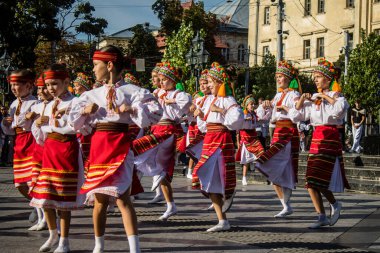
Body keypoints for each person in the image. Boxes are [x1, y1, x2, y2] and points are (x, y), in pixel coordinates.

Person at [69, 45, 162, 253]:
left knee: (122, 198)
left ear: (109, 65)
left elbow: (156, 111)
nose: (93, 69)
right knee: (99, 201)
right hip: (99, 148)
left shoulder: (132, 91)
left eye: (96, 65)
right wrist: (85, 110)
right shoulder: (92, 94)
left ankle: (134, 248)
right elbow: (73, 122)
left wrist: (131, 108)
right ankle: (98, 246)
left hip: (120, 145)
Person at [29, 64, 85, 253]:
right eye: (48, 84)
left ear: (66, 82)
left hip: (66, 151)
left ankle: (64, 241)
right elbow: (40, 137)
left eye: (54, 84)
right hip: (50, 152)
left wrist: (53, 125)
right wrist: (37, 124)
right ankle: (53, 234)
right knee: (45, 198)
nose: (50, 88)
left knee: (63, 201)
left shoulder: (75, 102)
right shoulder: (49, 104)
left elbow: (77, 127)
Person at [290, 58, 350, 229]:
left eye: (318, 76)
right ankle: (321, 215)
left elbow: (339, 110)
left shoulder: (335, 95)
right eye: (314, 77)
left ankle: (334, 203)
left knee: (320, 179)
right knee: (310, 181)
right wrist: (302, 99)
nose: (315, 80)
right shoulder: (314, 99)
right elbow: (296, 116)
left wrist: (324, 96)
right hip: (316, 138)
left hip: (329, 137)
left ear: (328, 79)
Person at [133, 62, 191, 221]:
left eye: (165, 79)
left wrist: (169, 100)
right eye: (160, 79)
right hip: (156, 130)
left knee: (136, 149)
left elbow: (186, 103)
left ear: (172, 81)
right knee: (161, 173)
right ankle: (170, 205)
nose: (161, 82)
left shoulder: (178, 94)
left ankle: (139, 185)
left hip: (167, 132)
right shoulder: (157, 92)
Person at [192, 62, 244, 232]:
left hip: (221, 139)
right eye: (207, 82)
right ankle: (222, 220)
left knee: (218, 175)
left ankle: (229, 192)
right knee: (209, 179)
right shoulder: (208, 100)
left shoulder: (227, 99)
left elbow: (237, 120)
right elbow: (202, 126)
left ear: (219, 83)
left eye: (211, 82)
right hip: (209, 138)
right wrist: (200, 115)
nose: (208, 85)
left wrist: (220, 111)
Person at [255, 60, 301, 218]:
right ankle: (285, 205)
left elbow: (298, 113)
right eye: (277, 77)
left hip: (288, 133)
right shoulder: (277, 95)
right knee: (276, 172)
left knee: (273, 165)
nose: (278, 79)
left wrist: (285, 108)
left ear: (288, 78)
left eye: (280, 76)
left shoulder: (294, 94)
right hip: (278, 133)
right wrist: (266, 106)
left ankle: (286, 204)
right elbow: (262, 117)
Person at [1, 69, 38, 223]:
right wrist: (5, 123)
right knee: (19, 183)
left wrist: (26, 119)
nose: (14, 88)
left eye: (17, 85)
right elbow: (11, 130)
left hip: (31, 141)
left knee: (31, 180)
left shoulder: (35, 103)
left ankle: (42, 208)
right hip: (19, 143)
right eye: (12, 85)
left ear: (28, 85)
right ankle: (38, 205)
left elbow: (35, 124)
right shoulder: (14, 104)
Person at [27, 74, 54, 232]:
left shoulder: (55, 106)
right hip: (37, 149)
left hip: (50, 149)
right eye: (39, 88)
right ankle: (41, 217)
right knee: (34, 184)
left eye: (45, 87)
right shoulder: (35, 107)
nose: (42, 91)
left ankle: (49, 220)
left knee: (49, 187)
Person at [236, 95, 264, 186]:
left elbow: (256, 123)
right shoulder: (244, 113)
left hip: (253, 136)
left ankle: (254, 162)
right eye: (251, 104)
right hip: (246, 137)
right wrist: (245, 119)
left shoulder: (254, 114)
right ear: (247, 105)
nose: (252, 105)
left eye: (253, 104)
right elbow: (239, 122)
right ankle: (244, 177)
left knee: (261, 151)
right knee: (245, 159)